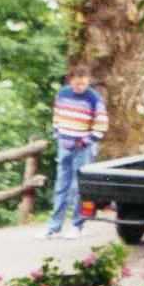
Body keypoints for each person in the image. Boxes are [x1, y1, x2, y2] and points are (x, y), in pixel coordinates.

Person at [46, 62, 109, 237]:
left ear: (88, 81)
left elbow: (101, 124)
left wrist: (87, 140)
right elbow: (57, 115)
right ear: (70, 81)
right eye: (76, 83)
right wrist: (58, 133)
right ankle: (54, 227)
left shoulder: (94, 98)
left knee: (78, 186)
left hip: (83, 146)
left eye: (83, 83)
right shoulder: (63, 94)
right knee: (61, 185)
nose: (80, 87)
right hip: (64, 144)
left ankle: (76, 225)